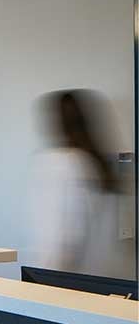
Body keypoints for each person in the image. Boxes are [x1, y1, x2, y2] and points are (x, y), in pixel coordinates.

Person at [31, 89, 122, 273]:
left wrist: (45, 281)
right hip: (103, 276)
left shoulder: (59, 163)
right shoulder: (98, 163)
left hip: (64, 279)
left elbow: (61, 235)